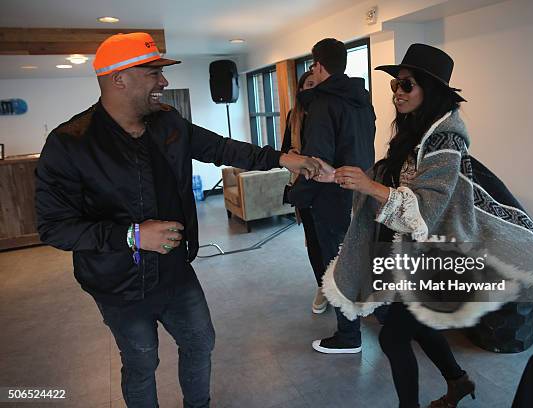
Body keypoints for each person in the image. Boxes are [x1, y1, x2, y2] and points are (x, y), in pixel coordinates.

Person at [35, 32, 324, 408]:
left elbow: (220, 147)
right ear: (117, 78)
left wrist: (284, 158)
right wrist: (133, 235)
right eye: (153, 72)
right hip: (117, 284)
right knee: (141, 361)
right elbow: (54, 226)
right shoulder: (70, 142)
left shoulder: (168, 122)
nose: (164, 81)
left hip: (174, 271)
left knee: (200, 341)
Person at [317, 43, 533, 407]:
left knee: (393, 339)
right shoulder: (414, 133)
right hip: (412, 254)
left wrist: (369, 186)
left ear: (432, 89)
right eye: (395, 85)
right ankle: (458, 382)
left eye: (406, 85)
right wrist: (355, 177)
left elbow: (425, 208)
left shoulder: (446, 140)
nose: (397, 92)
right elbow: (398, 182)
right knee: (419, 326)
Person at [286, 38, 376, 354]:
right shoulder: (363, 101)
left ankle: (348, 336)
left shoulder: (324, 103)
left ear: (320, 65)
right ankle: (362, 318)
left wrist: (298, 195)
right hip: (362, 190)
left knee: (335, 266)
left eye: (313, 65)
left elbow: (316, 160)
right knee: (355, 259)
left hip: (330, 197)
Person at [280, 71, 330, 314]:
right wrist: (294, 154)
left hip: (331, 187)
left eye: (317, 84)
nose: (313, 88)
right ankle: (322, 285)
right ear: (300, 89)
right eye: (308, 84)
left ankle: (341, 286)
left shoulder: (331, 111)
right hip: (304, 185)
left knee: (333, 240)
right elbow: (284, 153)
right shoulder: (294, 116)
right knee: (313, 242)